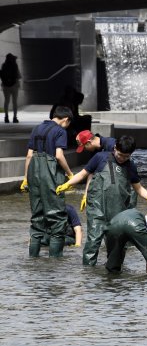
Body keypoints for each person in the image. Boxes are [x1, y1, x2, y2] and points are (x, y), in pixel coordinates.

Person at [56, 135, 147, 266]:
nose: (122, 158)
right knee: (93, 242)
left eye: (126, 156)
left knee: (116, 245)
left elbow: (138, 188)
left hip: (118, 212)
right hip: (97, 209)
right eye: (120, 154)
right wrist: (67, 184)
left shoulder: (130, 166)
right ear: (115, 148)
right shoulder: (100, 158)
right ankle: (88, 273)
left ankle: (113, 275)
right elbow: (83, 174)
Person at [21, 106, 74, 257]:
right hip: (50, 172)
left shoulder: (36, 128)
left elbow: (29, 155)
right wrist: (70, 174)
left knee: (37, 217)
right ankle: (55, 262)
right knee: (57, 217)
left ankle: (33, 259)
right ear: (65, 119)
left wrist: (26, 178)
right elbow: (59, 155)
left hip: (33, 172)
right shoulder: (60, 131)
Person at [105, 209, 147, 274]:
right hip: (134, 224)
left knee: (113, 263)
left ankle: (111, 281)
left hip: (112, 225)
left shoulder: (141, 216)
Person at [0, 53, 21, 123]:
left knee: (6, 101)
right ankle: (15, 118)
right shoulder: (15, 65)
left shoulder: (4, 65)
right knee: (14, 102)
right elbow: (19, 76)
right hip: (14, 85)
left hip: (5, 86)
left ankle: (6, 117)